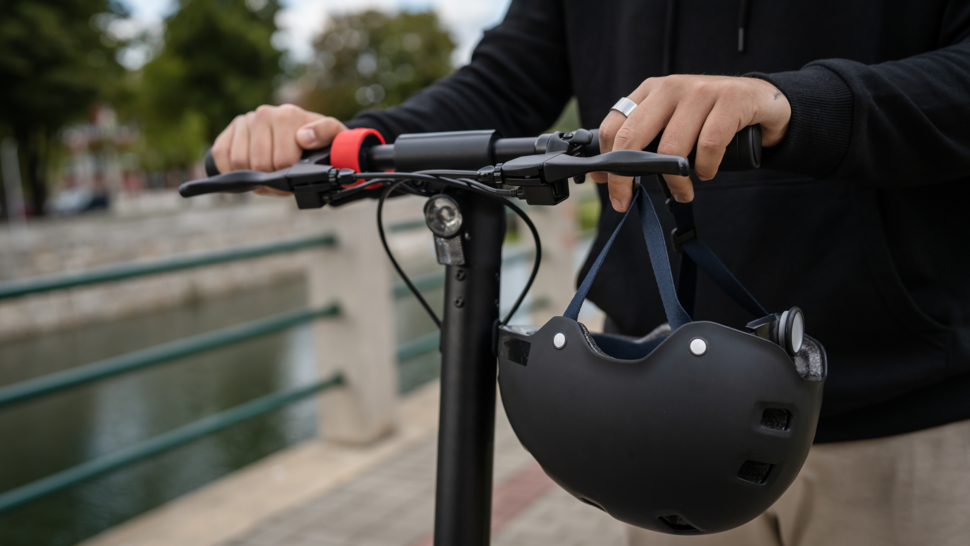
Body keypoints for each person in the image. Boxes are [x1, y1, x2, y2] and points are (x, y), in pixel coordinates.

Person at [212, 1, 970, 544]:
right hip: (657, 422)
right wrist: (346, 145)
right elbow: (504, 83)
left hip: (901, 413)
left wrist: (795, 105)